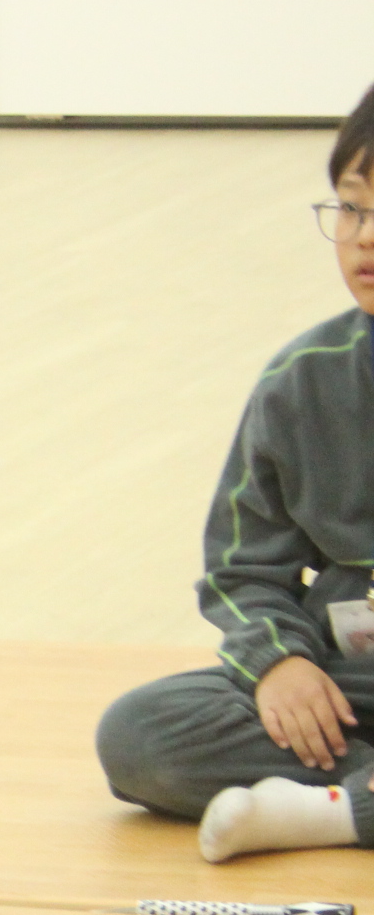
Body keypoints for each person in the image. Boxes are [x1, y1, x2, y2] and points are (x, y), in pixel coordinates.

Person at [96, 84, 374, 859]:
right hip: (353, 679)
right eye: (351, 209)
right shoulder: (303, 380)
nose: (364, 239)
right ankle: (355, 795)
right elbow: (244, 571)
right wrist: (279, 661)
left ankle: (333, 813)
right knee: (141, 735)